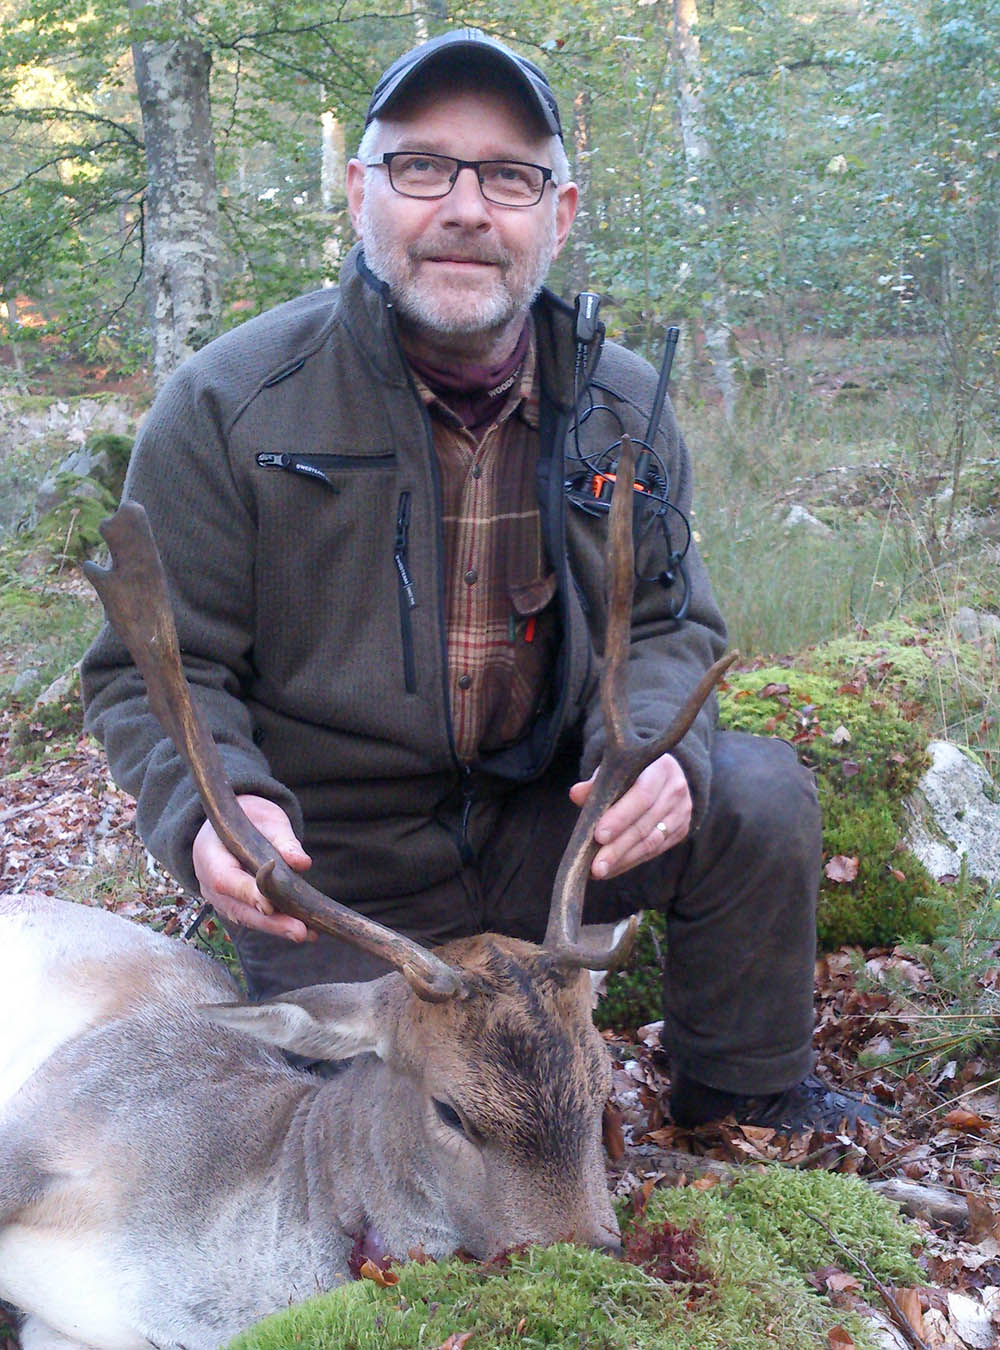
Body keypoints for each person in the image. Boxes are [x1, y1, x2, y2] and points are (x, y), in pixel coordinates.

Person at [82, 28, 874, 1131]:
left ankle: (738, 1109)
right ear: (361, 192)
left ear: (560, 213)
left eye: (510, 176)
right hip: (333, 874)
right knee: (356, 1150)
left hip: (548, 832)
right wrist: (223, 813)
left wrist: (650, 758)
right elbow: (154, 671)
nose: (465, 208)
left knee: (755, 794)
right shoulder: (230, 404)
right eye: (423, 168)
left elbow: (665, 626)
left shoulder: (621, 406)